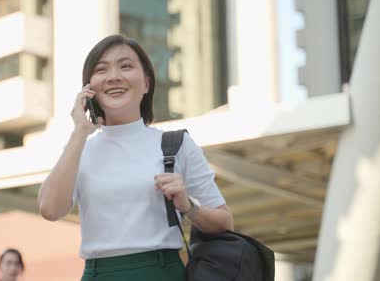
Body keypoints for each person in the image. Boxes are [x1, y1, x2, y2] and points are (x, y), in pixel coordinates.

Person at [38, 35, 234, 280]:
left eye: (126, 66)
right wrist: (79, 131)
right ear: (89, 89)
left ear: (146, 84)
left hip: (162, 272)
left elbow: (224, 222)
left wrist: (187, 205)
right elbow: (49, 209)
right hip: (100, 274)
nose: (113, 76)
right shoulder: (79, 149)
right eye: (101, 69)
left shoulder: (176, 145)